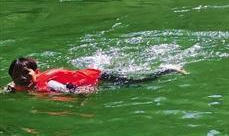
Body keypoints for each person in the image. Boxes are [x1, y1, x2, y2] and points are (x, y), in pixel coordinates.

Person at [5, 57, 186, 94]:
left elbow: (78, 93)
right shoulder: (18, 85)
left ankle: (169, 69)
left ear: (37, 72)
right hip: (85, 75)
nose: (21, 78)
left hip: (99, 77)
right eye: (16, 75)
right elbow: (11, 86)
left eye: (26, 73)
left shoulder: (49, 83)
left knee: (139, 82)